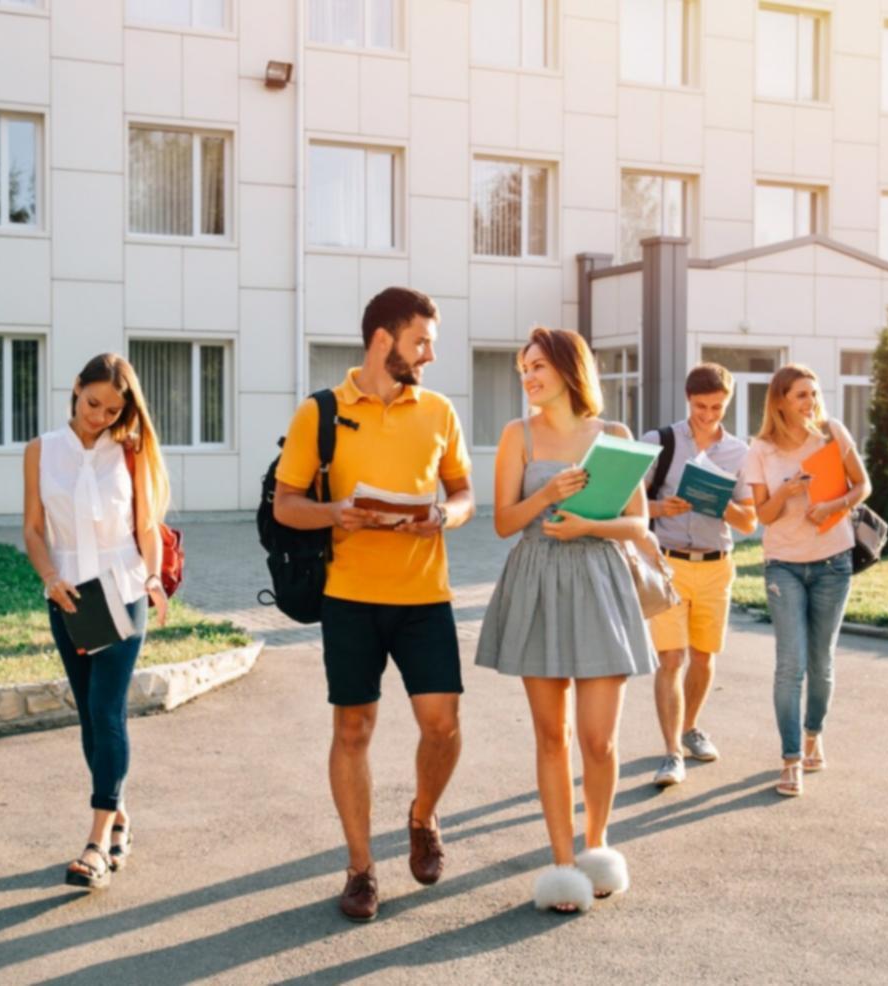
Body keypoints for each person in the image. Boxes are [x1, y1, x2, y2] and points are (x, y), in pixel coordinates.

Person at [272, 286, 475, 922]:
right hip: (349, 599)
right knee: (353, 729)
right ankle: (360, 868)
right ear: (383, 339)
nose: (430, 355)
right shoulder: (321, 412)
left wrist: (444, 514)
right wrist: (336, 513)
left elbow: (465, 493)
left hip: (424, 597)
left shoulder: (439, 411)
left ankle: (422, 817)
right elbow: (286, 504)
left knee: (441, 724)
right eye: (422, 341)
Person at [475, 327, 656, 914]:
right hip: (539, 581)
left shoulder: (616, 435)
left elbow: (639, 525)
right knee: (551, 736)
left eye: (536, 366)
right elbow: (504, 522)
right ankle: (559, 863)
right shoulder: (516, 435)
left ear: (567, 368)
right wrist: (548, 492)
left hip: (601, 581)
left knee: (598, 740)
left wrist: (588, 526)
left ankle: (598, 849)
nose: (527, 377)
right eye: (522, 369)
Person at [22, 353, 173, 889]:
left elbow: (147, 527)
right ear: (76, 389)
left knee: (108, 710)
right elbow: (35, 529)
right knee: (89, 717)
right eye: (93, 403)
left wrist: (152, 579)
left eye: (112, 409)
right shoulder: (41, 451)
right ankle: (121, 818)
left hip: (122, 591)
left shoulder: (130, 454)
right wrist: (48, 577)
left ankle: (95, 843)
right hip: (67, 597)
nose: (100, 416)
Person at [742, 364, 872, 798]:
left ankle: (814, 733)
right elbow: (762, 515)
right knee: (789, 665)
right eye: (801, 395)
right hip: (784, 565)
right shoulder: (760, 448)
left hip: (833, 562)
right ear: (780, 400)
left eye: (813, 394)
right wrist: (788, 491)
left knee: (821, 661)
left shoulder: (832, 434)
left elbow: (863, 486)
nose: (810, 402)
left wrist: (832, 505)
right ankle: (791, 758)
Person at [641, 364, 758, 788]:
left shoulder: (741, 453)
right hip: (667, 564)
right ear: (687, 399)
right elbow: (625, 502)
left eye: (716, 407)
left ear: (727, 403)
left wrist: (718, 501)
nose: (708, 415)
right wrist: (661, 508)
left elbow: (748, 522)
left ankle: (690, 727)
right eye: (700, 406)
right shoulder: (659, 442)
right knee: (671, 658)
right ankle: (672, 753)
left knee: (704, 656)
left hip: (716, 564)